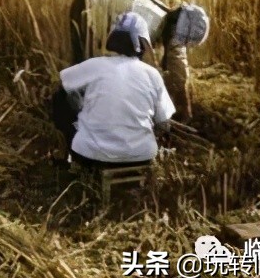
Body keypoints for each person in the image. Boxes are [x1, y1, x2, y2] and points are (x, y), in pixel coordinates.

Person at [69, 0, 209, 119]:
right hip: (90, 4)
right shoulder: (148, 24)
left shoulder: (167, 17)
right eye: (178, 41)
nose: (176, 45)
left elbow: (178, 59)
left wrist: (184, 104)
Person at [52, 12, 176, 168]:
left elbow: (61, 84)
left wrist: (79, 110)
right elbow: (164, 123)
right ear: (142, 43)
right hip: (141, 156)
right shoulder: (152, 74)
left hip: (91, 155)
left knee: (59, 96)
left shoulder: (95, 65)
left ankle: (65, 155)